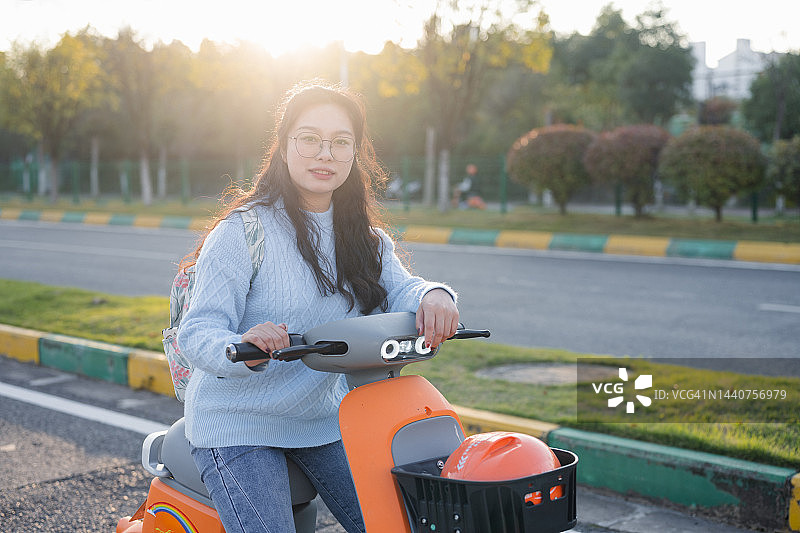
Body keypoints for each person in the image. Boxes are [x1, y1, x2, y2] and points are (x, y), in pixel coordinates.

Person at [176, 81, 459, 533]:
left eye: (339, 142)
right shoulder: (242, 232)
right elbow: (199, 330)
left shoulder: (364, 239)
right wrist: (241, 344)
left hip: (325, 421)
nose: (324, 153)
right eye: (309, 138)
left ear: (353, 154)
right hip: (238, 424)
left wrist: (435, 297)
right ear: (284, 147)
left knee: (404, 525)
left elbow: (403, 289)